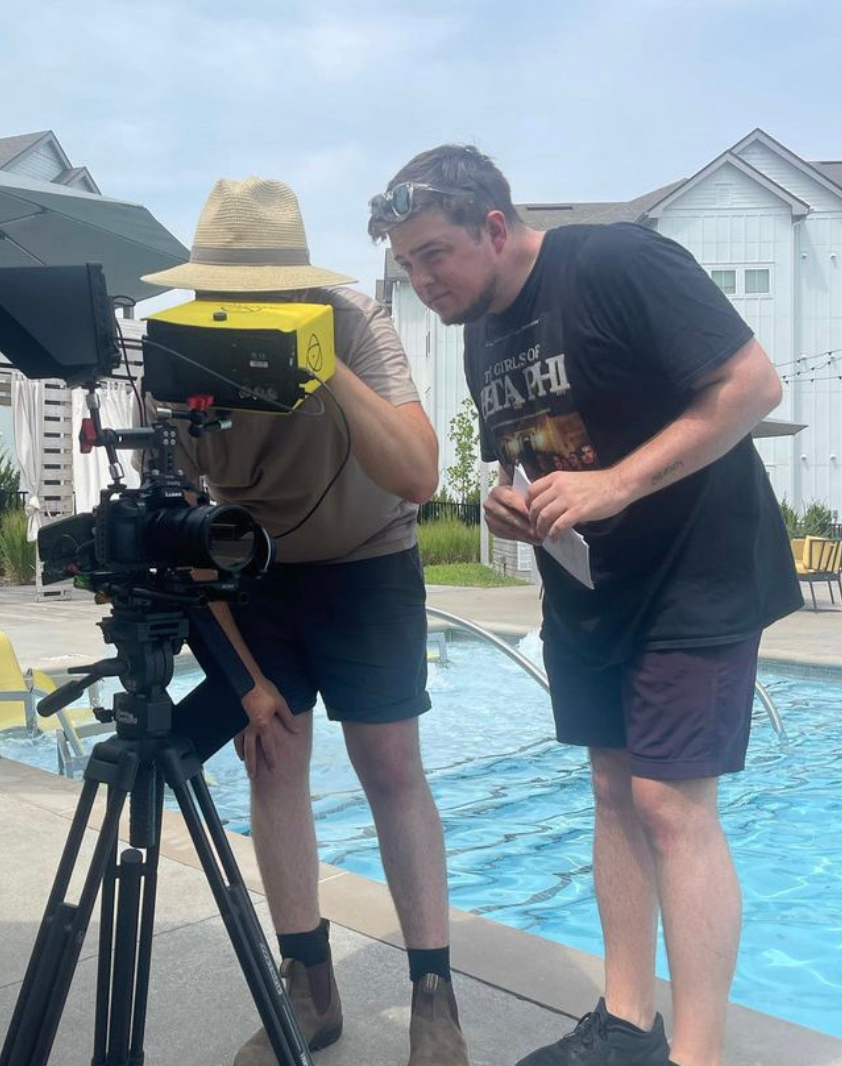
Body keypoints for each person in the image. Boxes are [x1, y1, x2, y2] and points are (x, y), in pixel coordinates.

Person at [368, 146, 802, 1066]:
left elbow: (753, 387)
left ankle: (696, 1054)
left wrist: (615, 486)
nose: (422, 279)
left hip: (697, 572)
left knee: (671, 806)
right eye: (408, 263)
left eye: (434, 253)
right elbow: (522, 449)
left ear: (494, 225)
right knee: (612, 792)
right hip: (589, 591)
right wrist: (507, 498)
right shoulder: (483, 324)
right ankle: (623, 1021)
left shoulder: (616, 262)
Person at [139, 177, 469, 1066]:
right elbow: (181, 528)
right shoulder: (176, 351)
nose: (237, 309)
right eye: (220, 293)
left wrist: (321, 365)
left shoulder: (352, 320)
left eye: (259, 295)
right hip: (252, 571)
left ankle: (433, 994)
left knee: (390, 762)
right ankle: (308, 984)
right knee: (274, 754)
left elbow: (419, 474)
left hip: (369, 560)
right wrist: (244, 677)